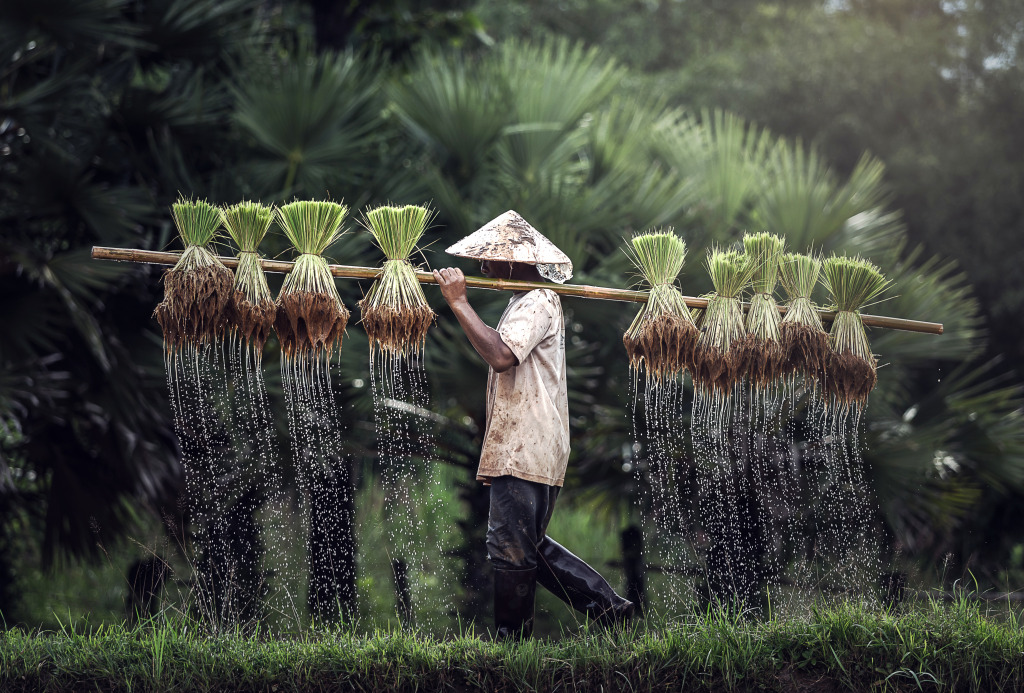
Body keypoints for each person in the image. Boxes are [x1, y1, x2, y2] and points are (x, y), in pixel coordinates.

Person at [432, 210, 634, 640]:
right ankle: (609, 610)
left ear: (517, 260)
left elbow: (501, 356)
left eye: (491, 256)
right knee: (524, 546)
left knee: (511, 547)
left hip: (525, 443)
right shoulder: (521, 302)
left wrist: (459, 303)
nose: (483, 264)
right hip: (525, 443)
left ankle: (513, 643)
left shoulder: (538, 300)